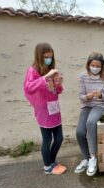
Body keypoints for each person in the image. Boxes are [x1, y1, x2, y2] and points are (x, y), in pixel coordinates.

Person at [24, 43, 67, 175]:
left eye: (50, 56)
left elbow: (57, 91)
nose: (49, 59)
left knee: (59, 138)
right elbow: (29, 87)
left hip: (54, 109)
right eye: (46, 56)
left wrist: (59, 82)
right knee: (47, 140)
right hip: (43, 111)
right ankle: (47, 166)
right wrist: (46, 76)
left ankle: (52, 161)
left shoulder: (51, 68)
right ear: (39, 56)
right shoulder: (33, 70)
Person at [74, 52, 104, 176]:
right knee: (79, 132)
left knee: (91, 122)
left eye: (98, 66)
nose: (95, 68)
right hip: (87, 106)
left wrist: (101, 95)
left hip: (100, 106)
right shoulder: (83, 77)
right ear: (88, 64)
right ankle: (86, 158)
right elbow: (81, 97)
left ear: (101, 67)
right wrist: (87, 97)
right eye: (93, 65)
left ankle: (93, 157)